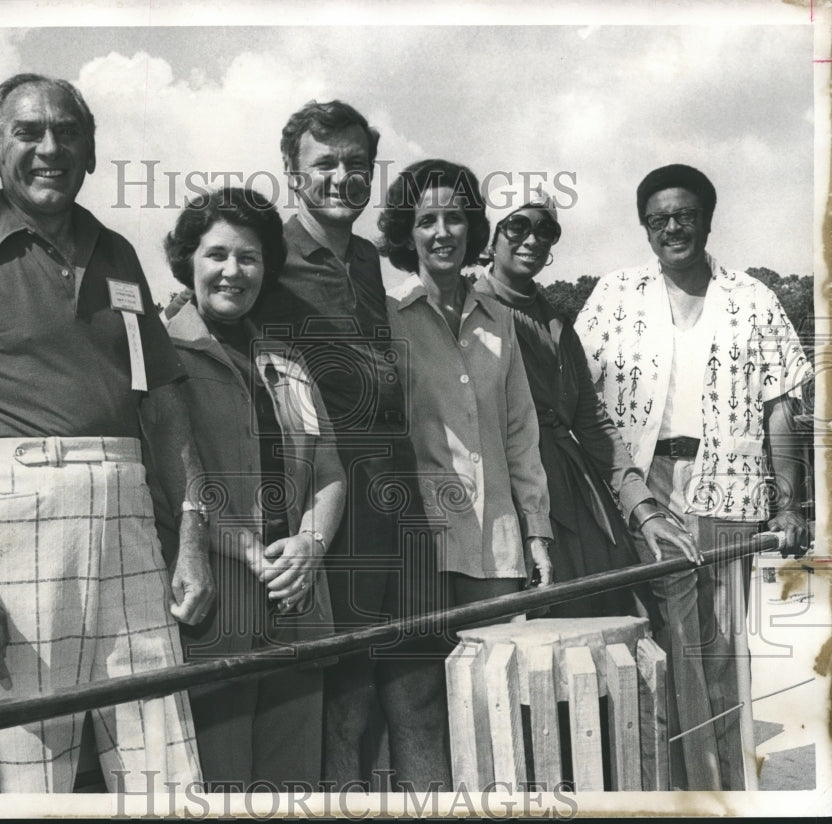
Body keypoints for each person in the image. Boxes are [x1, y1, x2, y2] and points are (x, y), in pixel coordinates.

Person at [0, 73, 212, 793]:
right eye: (27, 132)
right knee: (32, 779)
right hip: (14, 530)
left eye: (67, 132)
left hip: (129, 522)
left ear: (91, 150)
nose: (49, 148)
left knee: (167, 769)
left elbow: (163, 406)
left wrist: (190, 535)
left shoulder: (121, 255)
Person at [576, 164, 813, 790]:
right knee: (665, 637)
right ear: (644, 228)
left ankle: (727, 789)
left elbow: (780, 408)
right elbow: (577, 396)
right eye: (658, 220)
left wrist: (787, 507)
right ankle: (670, 786)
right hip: (640, 483)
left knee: (721, 640)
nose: (672, 228)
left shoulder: (752, 298)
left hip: (729, 480)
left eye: (684, 215)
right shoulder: (614, 294)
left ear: (707, 217)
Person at [252, 100, 450, 790]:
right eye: (325, 163)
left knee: (422, 692)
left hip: (401, 504)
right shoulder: (265, 257)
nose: (342, 177)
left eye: (357, 165)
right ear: (293, 173)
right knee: (346, 707)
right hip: (327, 511)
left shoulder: (368, 259)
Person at [157, 187, 345, 790]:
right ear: (188, 261)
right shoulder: (159, 355)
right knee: (222, 783)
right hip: (214, 606)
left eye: (250, 257)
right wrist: (251, 553)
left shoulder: (288, 362)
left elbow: (331, 472)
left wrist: (311, 543)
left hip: (297, 598)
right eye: (216, 255)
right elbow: (166, 485)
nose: (233, 272)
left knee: (294, 783)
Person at [476, 188, 698, 617]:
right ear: (490, 237)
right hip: (504, 493)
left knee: (614, 617)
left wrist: (642, 508)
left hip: (573, 488)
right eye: (518, 225)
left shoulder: (557, 320)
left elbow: (593, 423)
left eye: (546, 230)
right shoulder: (469, 312)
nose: (533, 239)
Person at [381, 160, 554, 608]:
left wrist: (536, 533)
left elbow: (520, 436)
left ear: (472, 227)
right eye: (426, 221)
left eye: (454, 217)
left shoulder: (501, 323)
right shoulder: (385, 318)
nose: (443, 232)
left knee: (496, 674)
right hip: (419, 548)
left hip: (497, 548)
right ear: (407, 233)